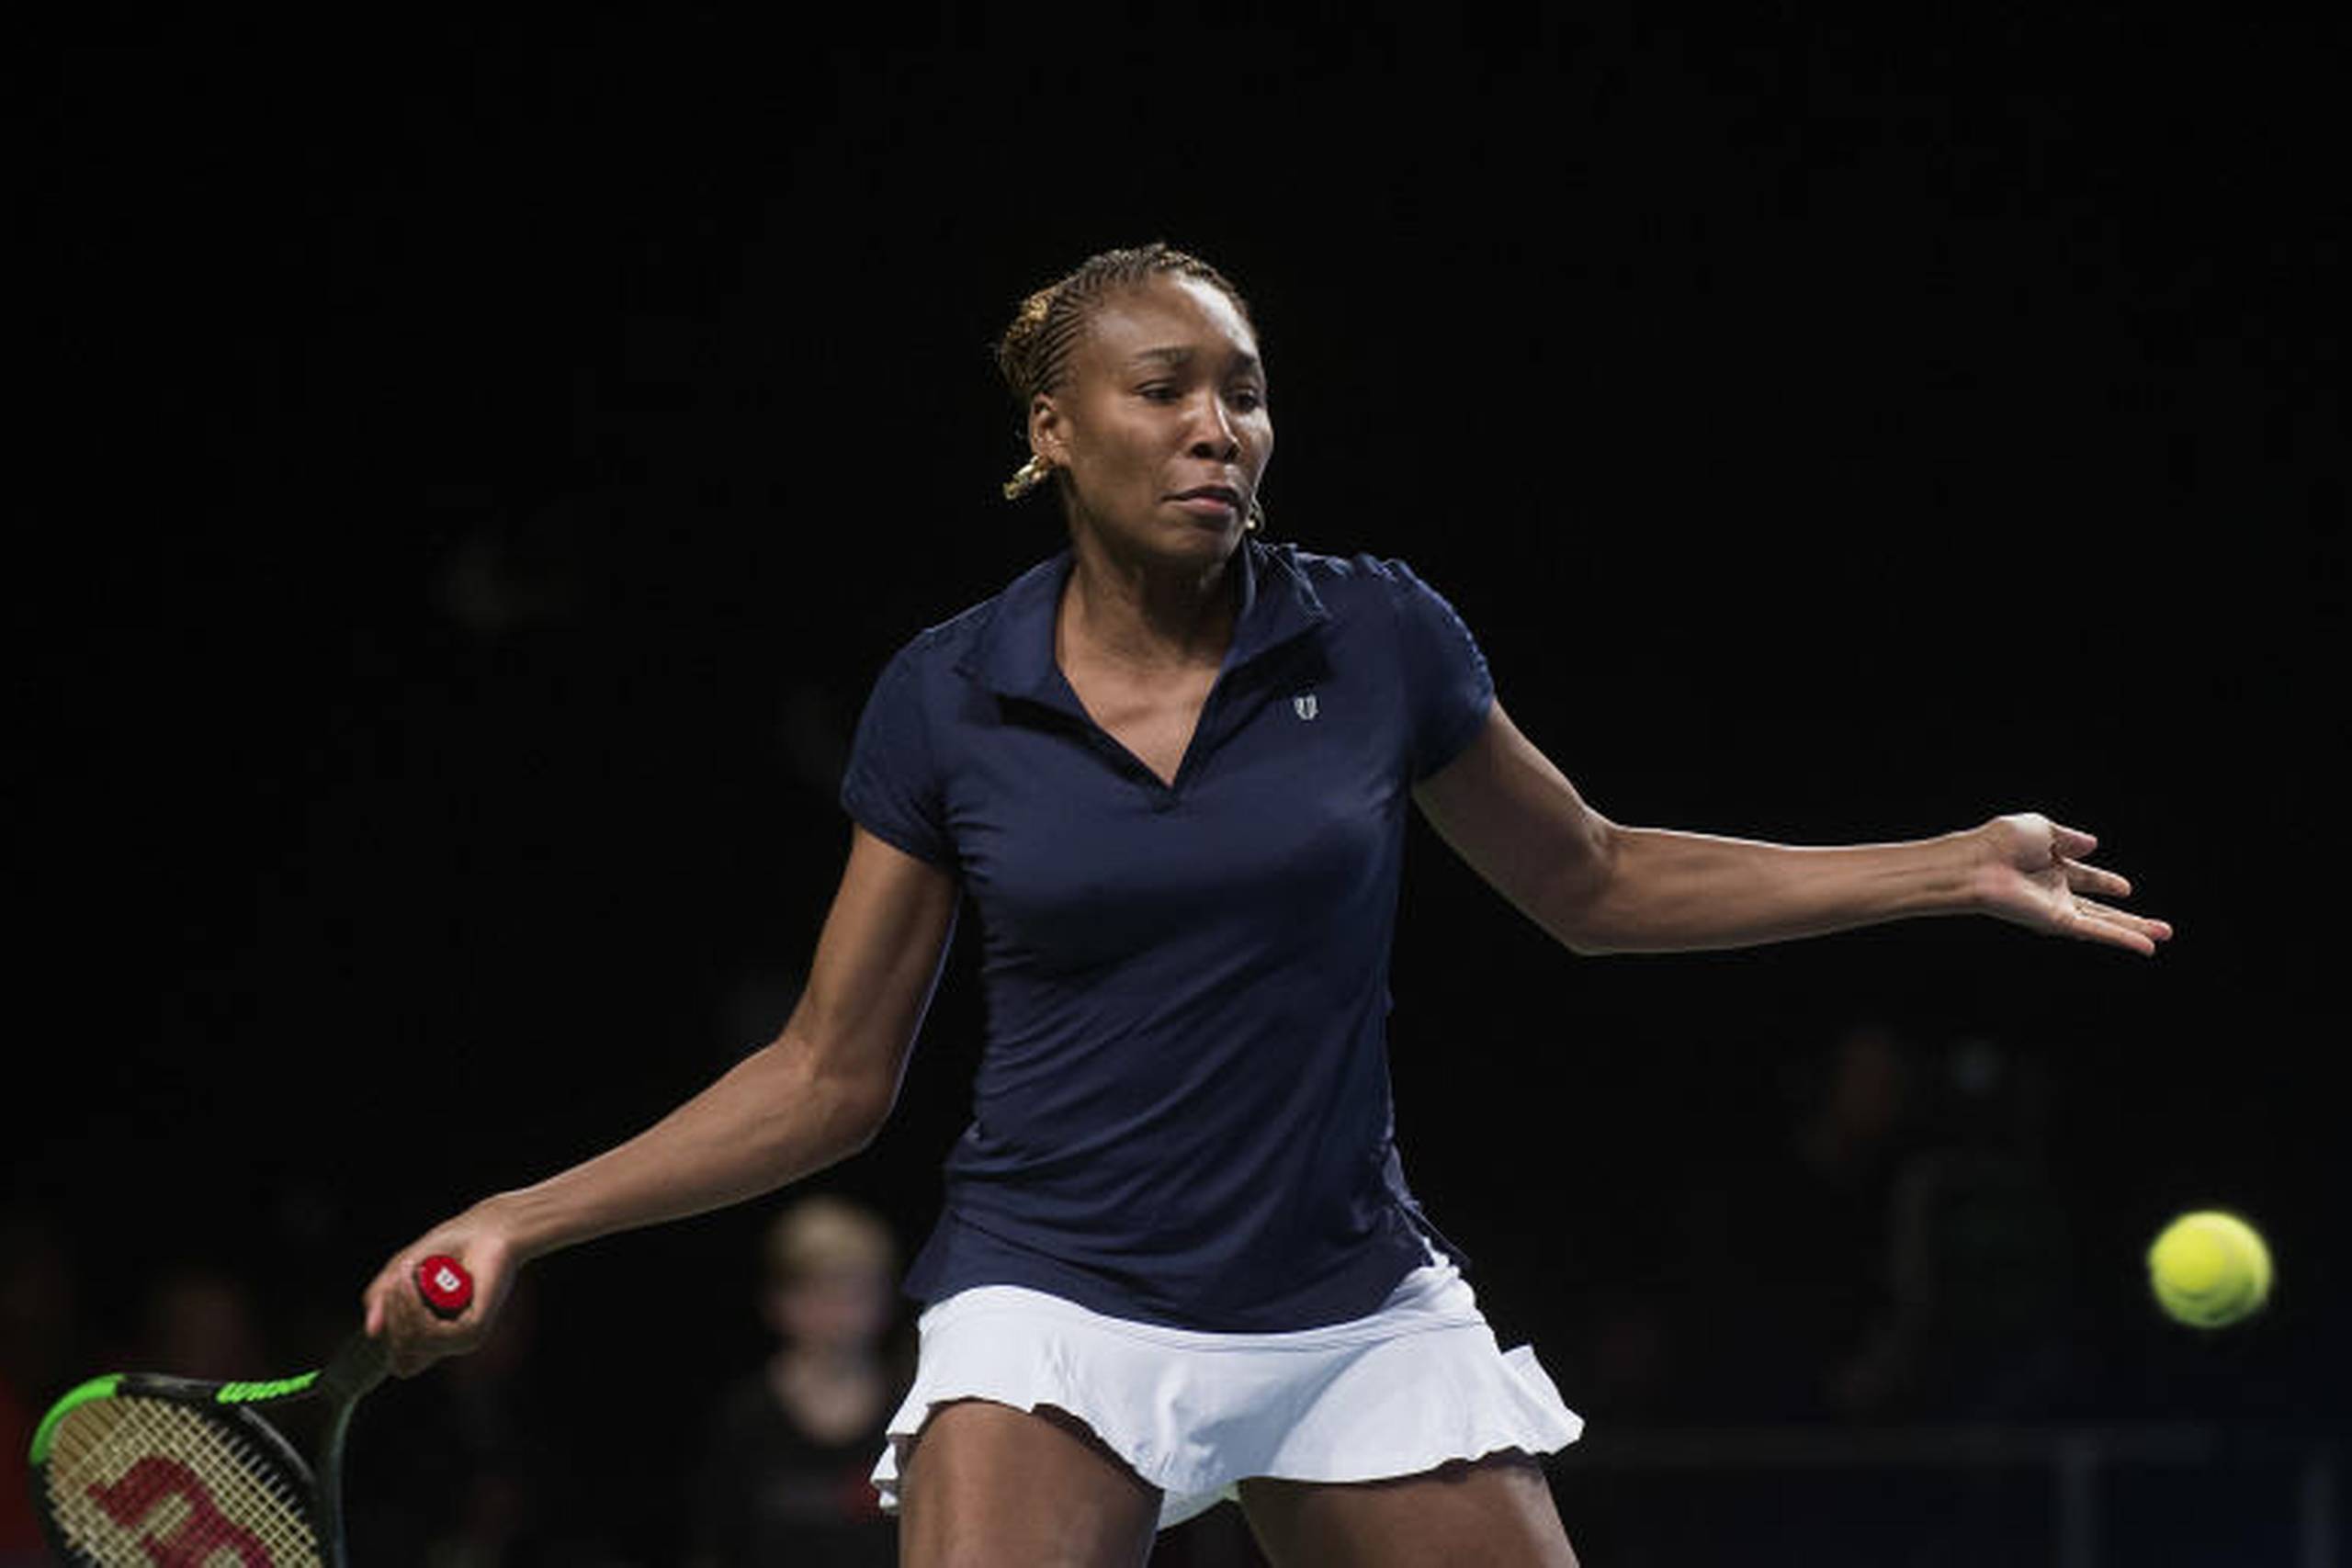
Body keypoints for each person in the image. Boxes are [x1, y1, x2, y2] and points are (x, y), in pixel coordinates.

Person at [364, 243, 2173, 1567]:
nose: (1217, 425)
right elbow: (831, 1072)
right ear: (1053, 426)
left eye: (1241, 386)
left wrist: (1946, 864)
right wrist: (525, 1214)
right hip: (1056, 1301)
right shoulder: (948, 692)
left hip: (1342, 1299)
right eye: (1164, 387)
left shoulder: (1373, 633)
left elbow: (1597, 882)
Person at [689, 1195, 903, 1567]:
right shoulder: (748, 1415)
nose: (840, 1311)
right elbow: (715, 1543)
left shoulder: (908, 1412)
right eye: (821, 1291)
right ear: (780, 1300)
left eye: (856, 1292)